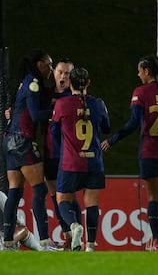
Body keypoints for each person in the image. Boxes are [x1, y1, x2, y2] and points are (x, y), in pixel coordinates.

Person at [101, 54, 158, 251]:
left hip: (151, 151)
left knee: (154, 198)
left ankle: (157, 241)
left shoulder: (141, 92)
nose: (138, 74)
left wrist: (112, 139)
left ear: (147, 71)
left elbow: (133, 123)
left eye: (140, 70)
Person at [2, 48, 61, 251]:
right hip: (22, 141)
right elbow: (35, 115)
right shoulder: (33, 83)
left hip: (9, 141)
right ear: (39, 64)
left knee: (15, 192)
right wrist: (57, 111)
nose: (51, 68)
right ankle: (44, 241)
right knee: (40, 189)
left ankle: (7, 240)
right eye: (49, 64)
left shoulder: (25, 82)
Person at [51, 67, 111, 252]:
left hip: (71, 162)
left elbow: (54, 132)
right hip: (94, 162)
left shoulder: (62, 104)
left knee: (62, 199)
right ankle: (90, 246)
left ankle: (75, 226)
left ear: (70, 83)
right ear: (89, 83)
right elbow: (106, 128)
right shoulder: (98, 104)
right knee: (92, 202)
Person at [40, 58, 81, 249]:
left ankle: (76, 236)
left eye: (67, 73)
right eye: (60, 72)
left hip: (68, 155)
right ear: (54, 73)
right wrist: (11, 112)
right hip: (48, 153)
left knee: (68, 196)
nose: (63, 76)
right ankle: (69, 235)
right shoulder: (45, 95)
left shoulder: (73, 98)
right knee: (54, 195)